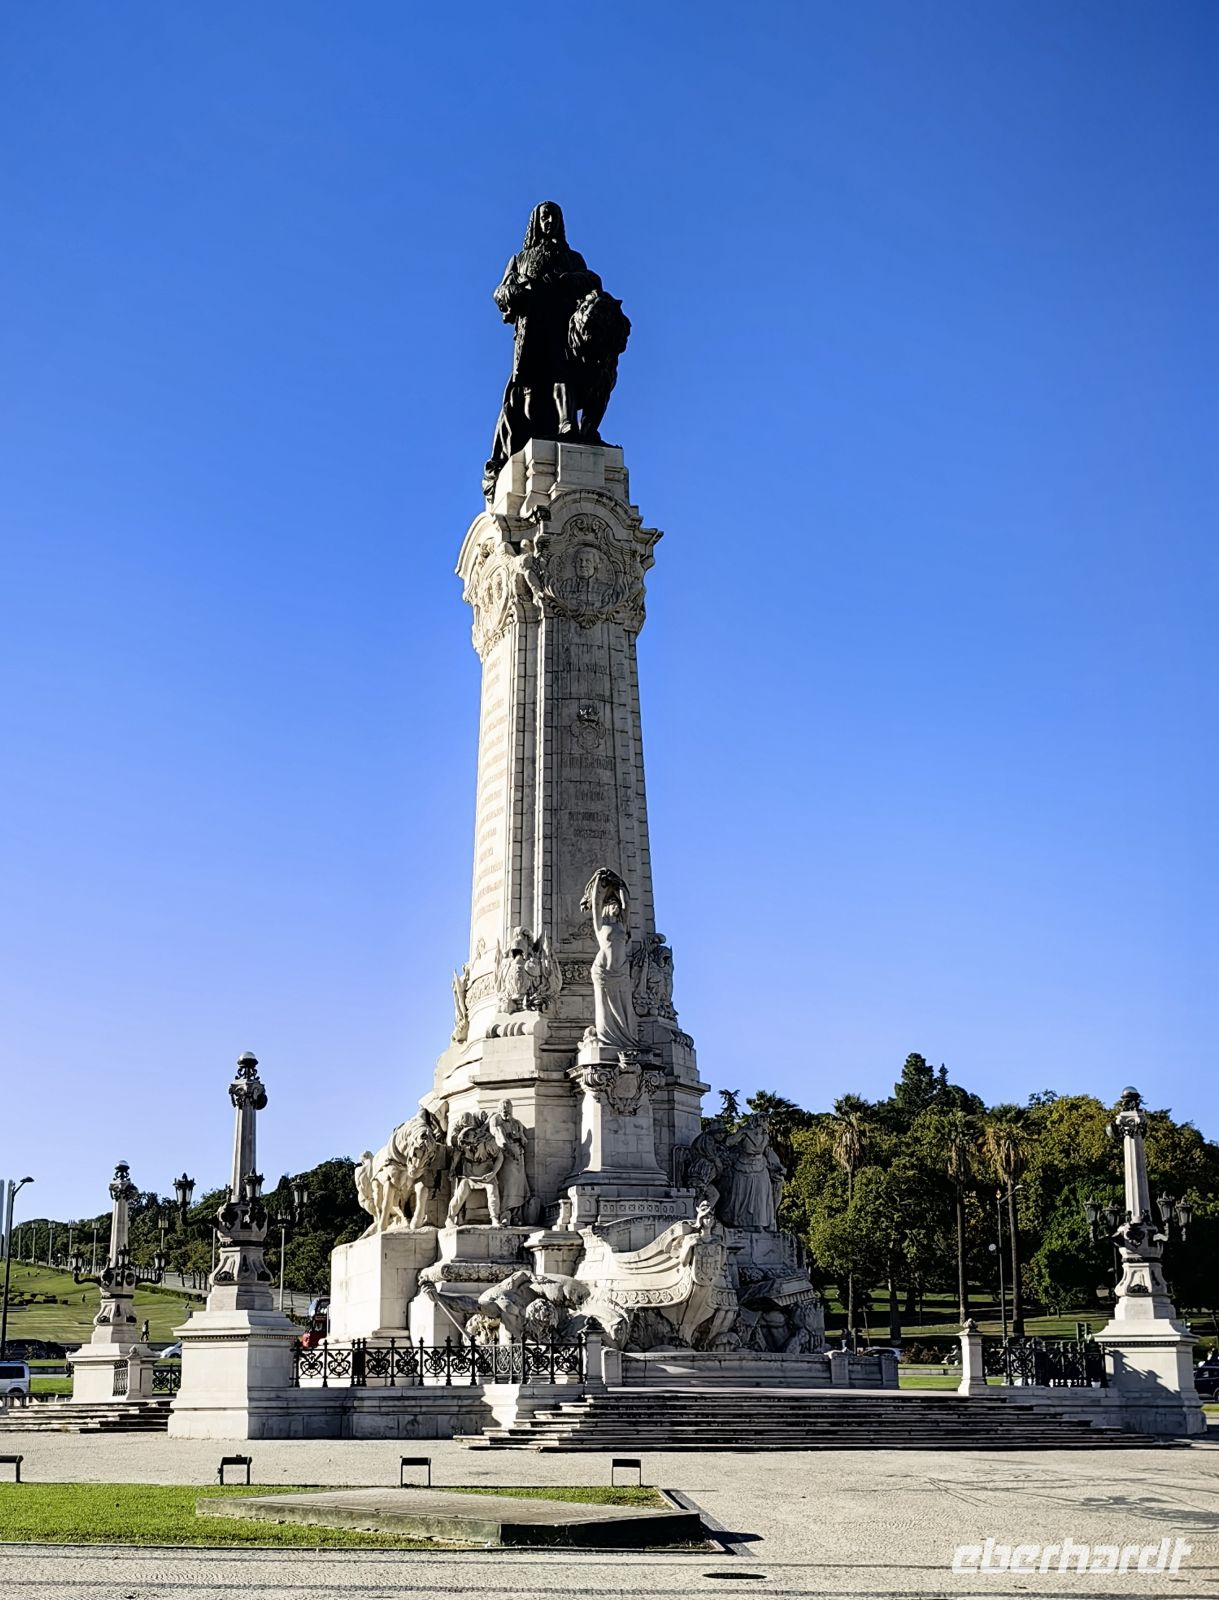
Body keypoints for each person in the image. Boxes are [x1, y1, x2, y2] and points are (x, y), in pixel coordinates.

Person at [483, 201, 601, 491]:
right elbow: (500, 292)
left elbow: (592, 281)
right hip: (532, 327)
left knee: (563, 373)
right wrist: (517, 292)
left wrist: (564, 281)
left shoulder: (572, 258)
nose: (549, 220)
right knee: (529, 385)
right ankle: (534, 431)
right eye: (544, 216)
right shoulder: (520, 259)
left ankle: (566, 423)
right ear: (536, 222)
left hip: (561, 324)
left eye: (554, 216)